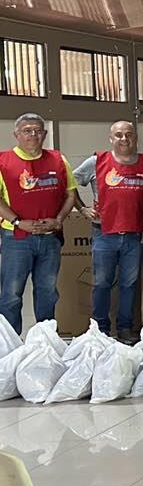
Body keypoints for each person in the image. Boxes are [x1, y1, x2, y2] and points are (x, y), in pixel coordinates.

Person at [73, 120, 143, 340]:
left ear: (136, 137)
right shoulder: (96, 162)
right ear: (111, 138)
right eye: (119, 135)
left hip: (134, 234)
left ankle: (124, 328)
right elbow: (68, 184)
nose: (124, 139)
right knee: (102, 283)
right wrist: (82, 208)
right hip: (104, 233)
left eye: (129, 134)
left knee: (129, 284)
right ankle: (100, 329)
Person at [0, 114, 78, 331]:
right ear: (16, 134)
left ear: (44, 134)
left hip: (50, 239)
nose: (33, 135)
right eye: (27, 130)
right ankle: (10, 342)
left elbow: (70, 194)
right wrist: (18, 222)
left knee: (47, 292)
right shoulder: (3, 162)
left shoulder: (59, 160)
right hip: (16, 238)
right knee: (11, 293)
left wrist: (58, 220)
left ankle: (45, 339)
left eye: (38, 130)